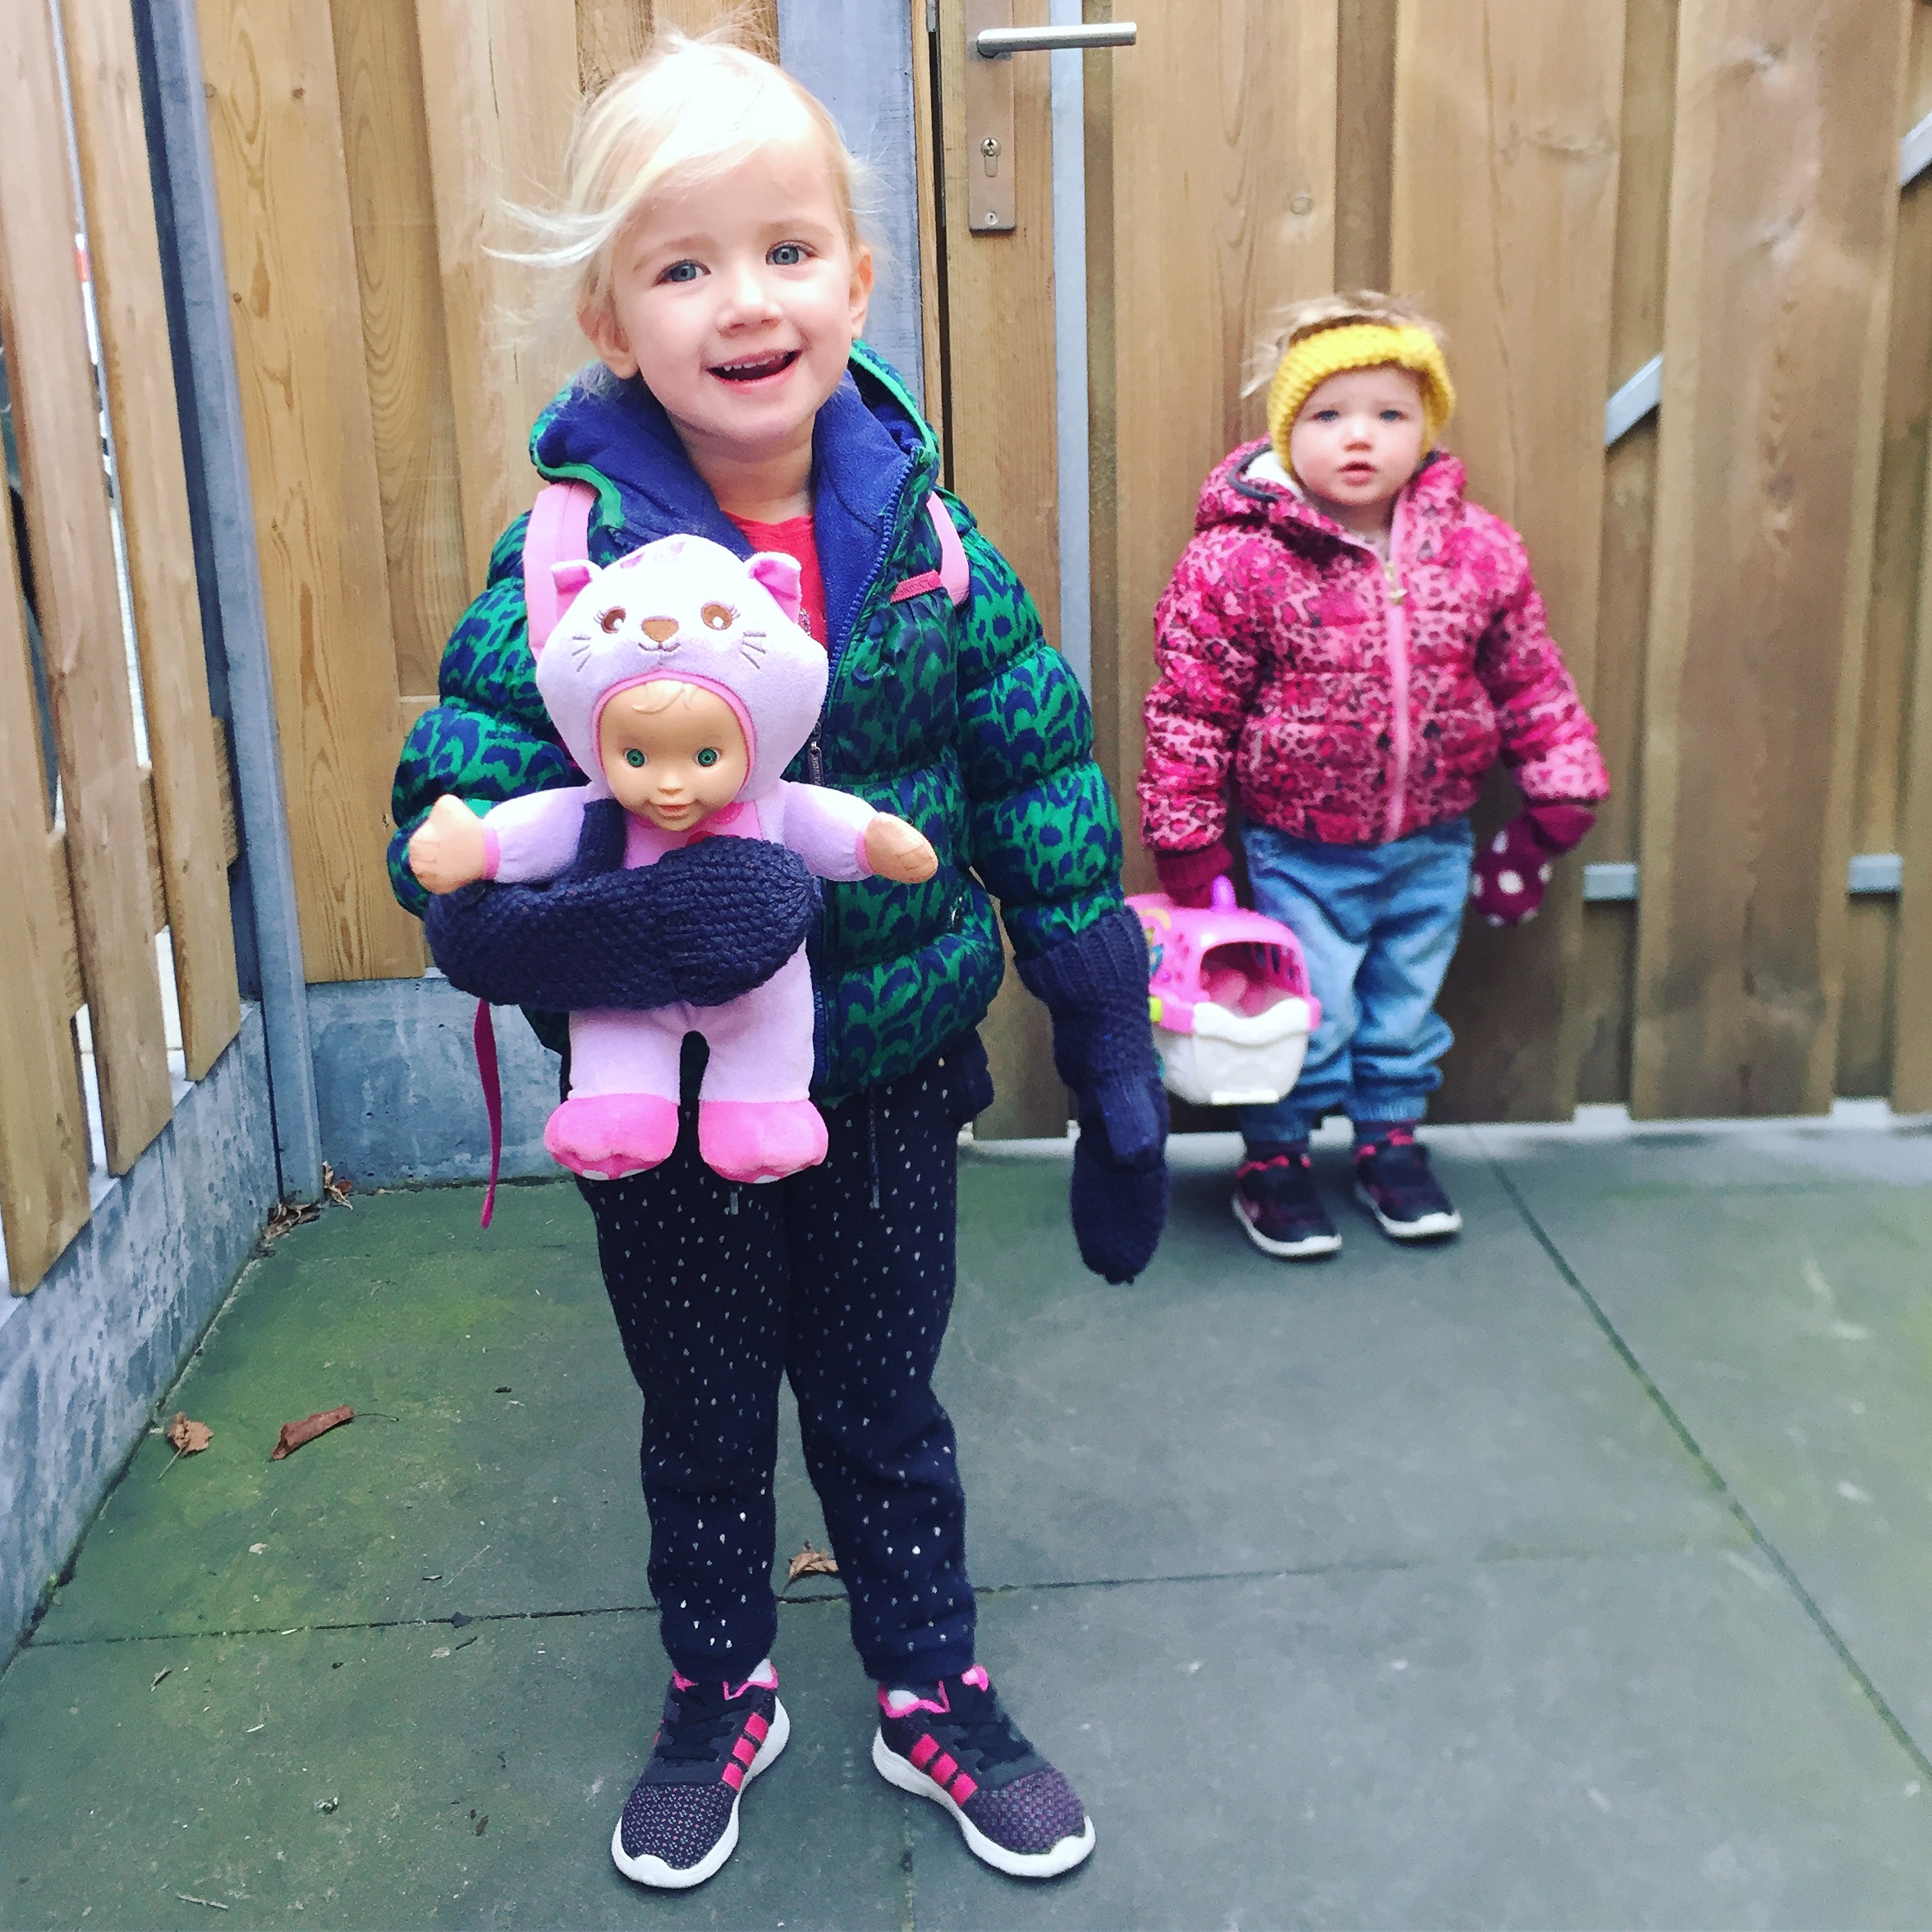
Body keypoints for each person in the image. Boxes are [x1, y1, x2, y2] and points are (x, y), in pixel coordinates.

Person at [387, 29, 1165, 1890]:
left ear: (857, 280)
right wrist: (619, 927)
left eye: (787, 250)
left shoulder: (929, 548)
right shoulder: (565, 562)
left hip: (886, 1072)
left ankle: (927, 1685)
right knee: (707, 1415)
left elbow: (1038, 775)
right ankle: (717, 1687)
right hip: (661, 1104)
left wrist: (1109, 1036)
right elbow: (457, 824)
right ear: (612, 317)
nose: (745, 301)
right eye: (684, 265)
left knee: (885, 1404)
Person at [1138, 292, 1607, 1260]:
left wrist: (1557, 795)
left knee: (1401, 1009)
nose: (1359, 436)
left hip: (1433, 840)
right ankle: (1274, 1157)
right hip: (1299, 847)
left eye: (1389, 413)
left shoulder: (1478, 552)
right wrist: (1187, 839)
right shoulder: (1241, 561)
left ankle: (1388, 1143)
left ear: (1425, 425)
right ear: (1287, 430)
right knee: (1300, 1013)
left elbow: (1529, 677)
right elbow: (1190, 706)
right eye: (1328, 414)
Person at [406, 532, 939, 1186]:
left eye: (705, 757)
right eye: (636, 757)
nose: (669, 786)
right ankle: (615, 1110)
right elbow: (538, 830)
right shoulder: (596, 808)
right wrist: (480, 846)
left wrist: (871, 840)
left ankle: (761, 1111)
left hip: (758, 982)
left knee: (768, 1035)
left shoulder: (773, 803)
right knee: (615, 1039)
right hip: (625, 979)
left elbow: (827, 823)